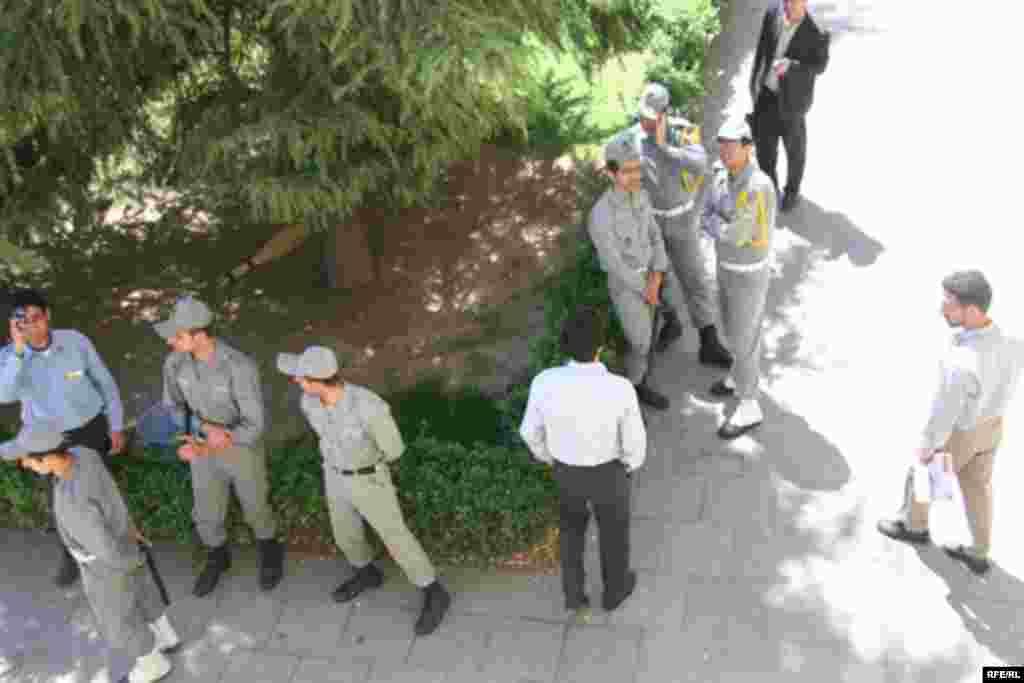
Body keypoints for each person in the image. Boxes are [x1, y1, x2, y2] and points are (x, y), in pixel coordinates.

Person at [276, 346, 451, 635]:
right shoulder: (309, 402)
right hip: (334, 476)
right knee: (345, 533)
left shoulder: (369, 407)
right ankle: (367, 572)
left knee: (396, 538)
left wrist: (366, 467)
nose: (295, 381)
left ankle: (434, 591)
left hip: (369, 480)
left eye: (300, 377)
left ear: (317, 380)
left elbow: (394, 450)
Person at [0, 423, 180, 683]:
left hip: (106, 565)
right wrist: (132, 534)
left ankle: (152, 663)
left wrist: (128, 561)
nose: (26, 465)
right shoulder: (85, 454)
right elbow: (113, 498)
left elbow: (105, 549)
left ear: (49, 457)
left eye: (28, 460)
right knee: (143, 591)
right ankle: (165, 635)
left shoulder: (72, 501)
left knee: (118, 619)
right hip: (126, 537)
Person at [877, 271, 1023, 575]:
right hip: (993, 427)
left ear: (971, 310)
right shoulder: (1010, 341)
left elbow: (943, 415)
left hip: (962, 433)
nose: (942, 309)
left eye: (949, 304)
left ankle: (915, 528)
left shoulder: (962, 362)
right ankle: (978, 552)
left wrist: (927, 447)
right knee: (977, 488)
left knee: (923, 475)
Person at [154, 296, 284, 597]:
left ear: (200, 334)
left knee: (256, 507)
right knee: (206, 512)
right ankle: (217, 557)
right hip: (202, 446)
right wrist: (201, 431)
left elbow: (255, 425)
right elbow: (172, 407)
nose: (170, 341)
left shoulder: (238, 366)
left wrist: (225, 437)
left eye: (178, 335)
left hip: (241, 449)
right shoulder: (174, 363)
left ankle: (270, 551)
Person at [519, 307, 644, 614]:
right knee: (614, 534)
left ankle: (574, 595)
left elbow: (529, 432)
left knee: (571, 531)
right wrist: (629, 465)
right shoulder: (620, 388)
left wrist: (549, 457)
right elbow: (634, 443)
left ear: (564, 344)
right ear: (601, 347)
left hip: (566, 473)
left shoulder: (544, 382)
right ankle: (614, 591)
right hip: (610, 474)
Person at [0, 288, 126, 587]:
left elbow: (105, 383)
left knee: (99, 491)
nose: (32, 326)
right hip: (47, 440)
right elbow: (4, 395)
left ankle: (111, 550)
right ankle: (71, 555)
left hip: (90, 430)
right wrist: (18, 352)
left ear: (47, 316)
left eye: (36, 318)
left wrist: (116, 425)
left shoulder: (75, 341)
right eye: (22, 321)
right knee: (62, 501)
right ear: (13, 325)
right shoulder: (8, 357)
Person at [633, 83, 733, 368]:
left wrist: (666, 147)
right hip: (650, 221)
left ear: (665, 114)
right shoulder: (633, 138)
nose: (646, 121)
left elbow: (700, 164)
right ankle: (672, 322)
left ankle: (709, 341)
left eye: (652, 116)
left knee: (695, 278)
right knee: (655, 280)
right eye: (643, 115)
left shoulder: (683, 132)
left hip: (681, 220)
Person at [701, 118, 777, 439]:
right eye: (722, 146)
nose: (725, 153)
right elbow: (705, 213)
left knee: (745, 338)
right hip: (726, 267)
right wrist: (719, 225)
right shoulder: (721, 173)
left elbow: (739, 233)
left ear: (749, 148)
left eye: (732, 147)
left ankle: (749, 405)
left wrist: (717, 225)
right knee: (732, 330)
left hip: (747, 274)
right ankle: (736, 377)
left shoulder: (757, 186)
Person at [588, 131, 671, 410]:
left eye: (637, 169)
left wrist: (657, 275)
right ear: (611, 174)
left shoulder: (641, 196)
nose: (635, 176)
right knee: (641, 341)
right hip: (628, 288)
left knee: (649, 337)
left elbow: (656, 236)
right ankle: (631, 392)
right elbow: (614, 264)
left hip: (652, 280)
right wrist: (647, 288)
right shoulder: (601, 215)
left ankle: (638, 383)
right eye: (627, 171)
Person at [748, 0, 830, 212]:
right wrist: (754, 83)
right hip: (766, 95)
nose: (788, 7)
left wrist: (792, 67)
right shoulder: (773, 12)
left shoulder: (817, 32)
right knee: (765, 152)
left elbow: (820, 66)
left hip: (793, 103)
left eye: (794, 2)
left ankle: (792, 192)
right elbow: (762, 48)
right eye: (786, 1)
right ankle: (771, 191)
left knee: (795, 152)